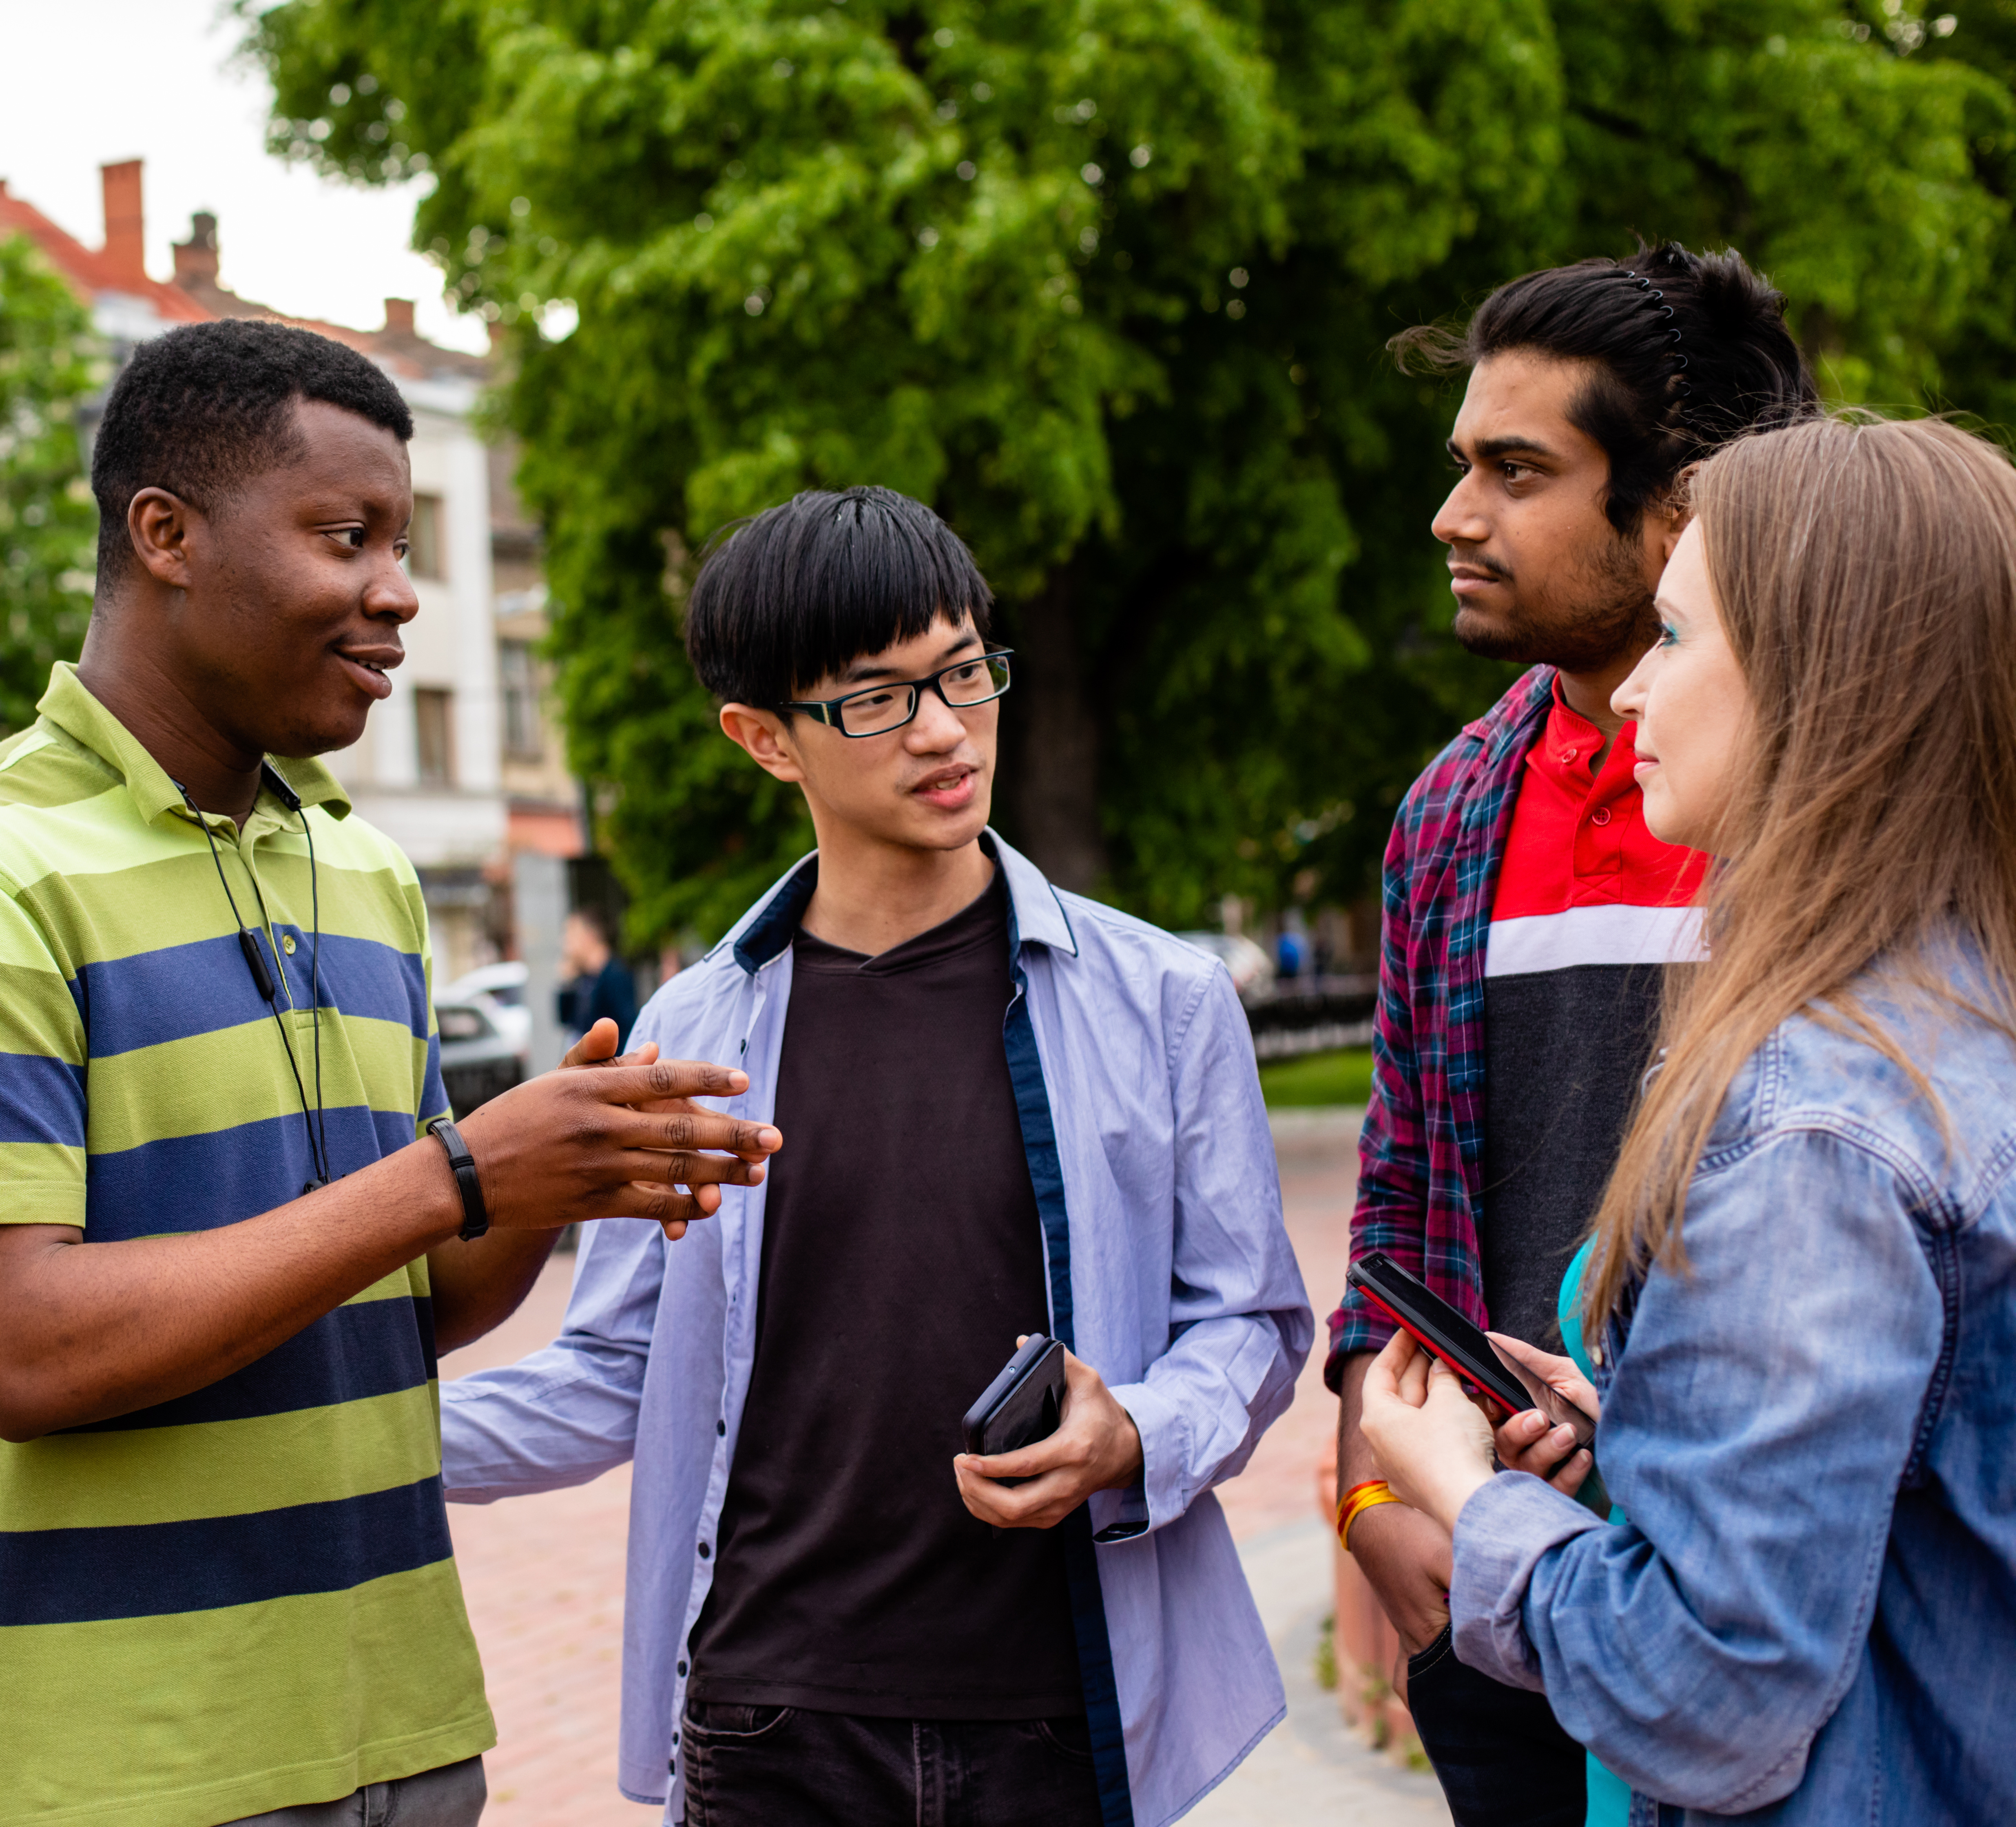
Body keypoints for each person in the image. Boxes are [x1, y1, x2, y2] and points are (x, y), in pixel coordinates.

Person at [0, 319, 779, 1827]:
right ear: (167, 537)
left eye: (399, 541)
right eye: (346, 537)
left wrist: (553, 1176)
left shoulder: (362, 872)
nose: (397, 592)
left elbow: (408, 1309)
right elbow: (24, 1356)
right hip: (118, 1767)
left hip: (394, 1730)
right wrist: (458, 1171)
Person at [438, 486, 1312, 1827]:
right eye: (876, 699)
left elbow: (1248, 1323)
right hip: (767, 1722)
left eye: (965, 673)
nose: (946, 732)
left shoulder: (1165, 1002)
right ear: (764, 739)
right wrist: (337, 1439)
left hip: (1058, 1712)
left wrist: (1134, 1430)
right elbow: (613, 1373)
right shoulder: (692, 1035)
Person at [1360, 412, 2016, 1824]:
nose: (1632, 696)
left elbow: (1709, 1690)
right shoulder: (1963, 1023)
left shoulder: (1811, 1124)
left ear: (1819, 680)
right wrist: (1656, 1436)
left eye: (1673, 637)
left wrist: (1467, 1500)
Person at [1326, 245, 1817, 1827]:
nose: (1452, 516)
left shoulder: (1834, 813)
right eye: (1462, 463)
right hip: (1497, 1606)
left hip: (1748, 1601)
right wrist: (1368, 1492)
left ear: (1680, 506)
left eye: (1514, 470)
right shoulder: (1452, 812)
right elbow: (1398, 1204)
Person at [554, 907, 638, 1044]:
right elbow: (567, 1021)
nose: (565, 943)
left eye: (571, 934)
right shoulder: (585, 978)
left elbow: (627, 1028)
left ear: (590, 936)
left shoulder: (615, 976)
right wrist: (567, 985)